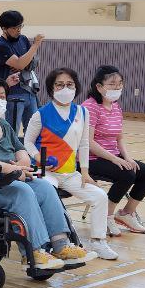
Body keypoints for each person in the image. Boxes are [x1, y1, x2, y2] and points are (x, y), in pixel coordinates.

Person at [0, 75, 93, 273]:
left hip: (7, 178)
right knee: (23, 192)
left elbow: (20, 150)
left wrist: (22, 163)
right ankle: (35, 251)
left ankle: (61, 245)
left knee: (46, 188)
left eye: (1, 96)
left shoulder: (2, 124)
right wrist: (8, 168)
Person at [23, 68, 118, 260]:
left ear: (76, 87)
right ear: (51, 88)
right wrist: (37, 157)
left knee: (99, 197)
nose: (65, 88)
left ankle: (98, 242)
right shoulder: (40, 114)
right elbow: (27, 142)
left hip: (71, 173)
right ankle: (54, 242)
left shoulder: (82, 112)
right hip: (46, 172)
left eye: (70, 84)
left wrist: (85, 172)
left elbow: (84, 144)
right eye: (59, 84)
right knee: (49, 196)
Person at [83, 65, 145, 235]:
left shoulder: (116, 106)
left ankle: (126, 213)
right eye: (112, 84)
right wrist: (115, 159)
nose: (117, 87)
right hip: (91, 159)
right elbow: (89, 141)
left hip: (112, 155)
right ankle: (106, 216)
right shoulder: (90, 106)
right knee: (127, 174)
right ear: (99, 87)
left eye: (120, 83)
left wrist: (127, 157)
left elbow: (119, 138)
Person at [0, 10, 44, 136]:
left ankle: (29, 155)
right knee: (12, 131)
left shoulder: (23, 39)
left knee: (33, 131)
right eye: (15, 28)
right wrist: (35, 46)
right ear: (4, 29)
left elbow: (33, 63)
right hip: (14, 95)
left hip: (30, 91)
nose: (19, 30)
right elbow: (21, 64)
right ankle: (11, 155)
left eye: (20, 26)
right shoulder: (0, 46)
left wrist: (23, 63)